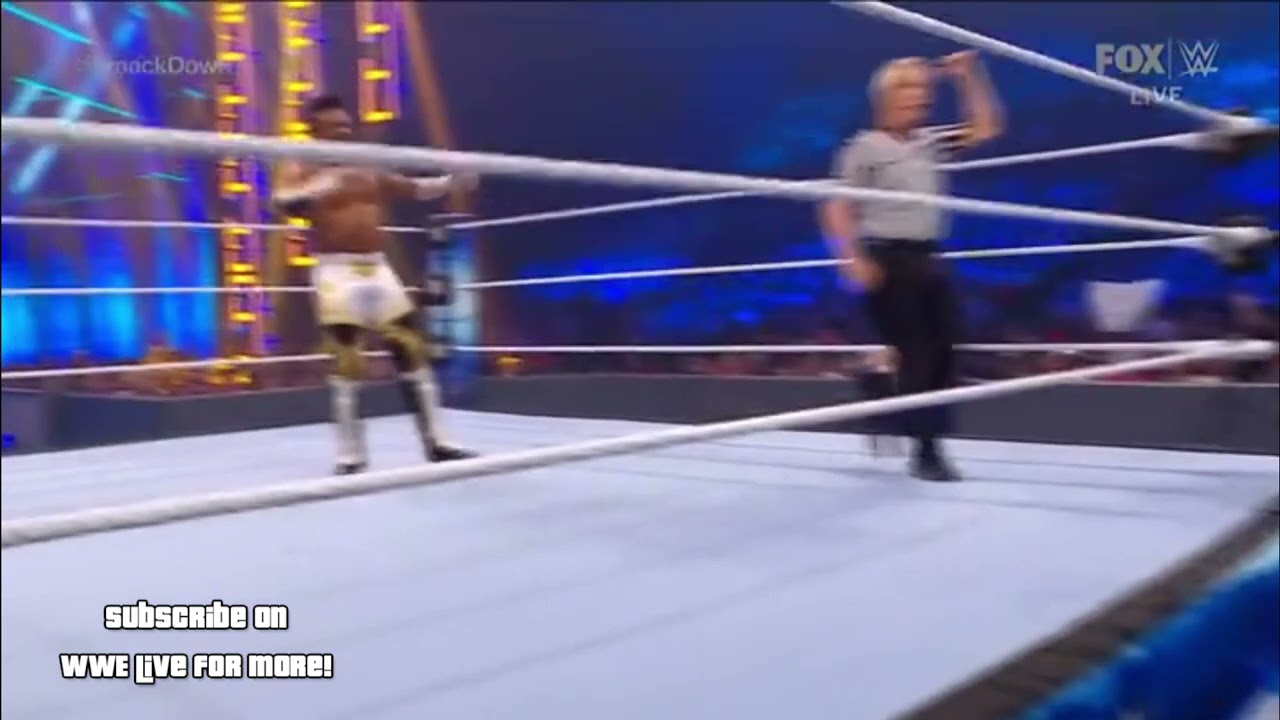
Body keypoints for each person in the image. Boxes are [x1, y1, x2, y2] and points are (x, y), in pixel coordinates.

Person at [821, 51, 1003, 481]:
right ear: (886, 96)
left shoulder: (931, 143)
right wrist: (851, 259)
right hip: (886, 257)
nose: (919, 97)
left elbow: (987, 128)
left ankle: (882, 385)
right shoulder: (863, 147)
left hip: (928, 256)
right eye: (908, 88)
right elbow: (837, 206)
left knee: (948, 348)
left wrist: (967, 77)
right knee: (919, 352)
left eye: (923, 88)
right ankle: (927, 449)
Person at [272, 94, 477, 475]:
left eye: (346, 126)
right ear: (315, 131)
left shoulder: (365, 165)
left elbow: (411, 188)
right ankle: (351, 456)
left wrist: (451, 182)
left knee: (413, 353)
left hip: (378, 269)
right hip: (336, 271)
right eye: (335, 127)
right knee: (347, 363)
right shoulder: (300, 165)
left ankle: (439, 442)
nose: (343, 132)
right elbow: (282, 201)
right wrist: (319, 187)